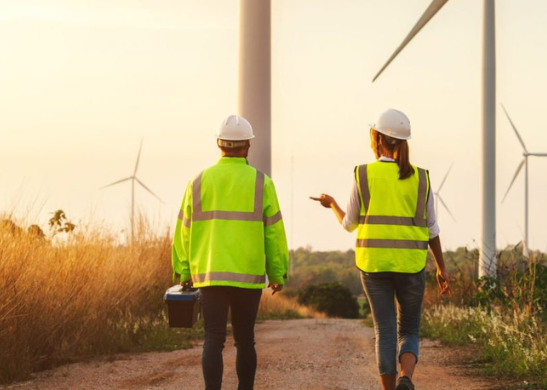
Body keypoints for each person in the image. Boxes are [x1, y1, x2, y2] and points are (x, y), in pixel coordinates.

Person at [311, 108, 450, 390]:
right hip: (411, 264)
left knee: (384, 331)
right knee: (409, 329)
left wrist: (332, 204)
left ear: (377, 139)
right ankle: (406, 378)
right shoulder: (422, 178)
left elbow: (349, 224)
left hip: (373, 265)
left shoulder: (363, 174)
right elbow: (432, 229)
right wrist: (442, 268)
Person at [172, 114, 289, 390]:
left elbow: (183, 230)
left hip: (210, 274)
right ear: (247, 145)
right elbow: (273, 232)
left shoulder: (198, 181)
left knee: (213, 338)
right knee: (245, 339)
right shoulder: (262, 182)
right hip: (247, 275)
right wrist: (277, 272)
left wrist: (184, 270)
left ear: (218, 144)